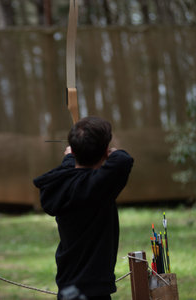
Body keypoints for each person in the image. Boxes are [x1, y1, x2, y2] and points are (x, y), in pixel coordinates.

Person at [33, 116, 134, 300]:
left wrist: (71, 158)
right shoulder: (98, 187)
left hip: (68, 284)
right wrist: (109, 152)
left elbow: (69, 172)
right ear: (104, 152)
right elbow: (123, 160)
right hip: (93, 288)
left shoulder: (62, 184)